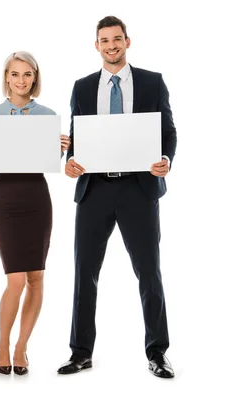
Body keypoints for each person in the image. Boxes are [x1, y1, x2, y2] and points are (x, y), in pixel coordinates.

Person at [57, 16, 177, 378]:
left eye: (116, 39)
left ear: (127, 41)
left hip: (138, 190)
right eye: (104, 40)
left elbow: (168, 131)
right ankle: (81, 352)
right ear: (96, 45)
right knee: (84, 273)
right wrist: (69, 162)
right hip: (94, 190)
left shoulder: (151, 82)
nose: (111, 45)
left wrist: (166, 160)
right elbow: (77, 136)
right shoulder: (82, 87)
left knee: (149, 273)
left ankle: (157, 352)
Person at [0, 52, 70, 375]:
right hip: (6, 196)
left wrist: (62, 149)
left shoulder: (48, 116)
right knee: (15, 279)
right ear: (6, 77)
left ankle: (22, 346)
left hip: (36, 195)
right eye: (15, 74)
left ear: (35, 78)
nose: (21, 80)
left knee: (36, 278)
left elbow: (50, 160)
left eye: (27, 74)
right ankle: (2, 343)